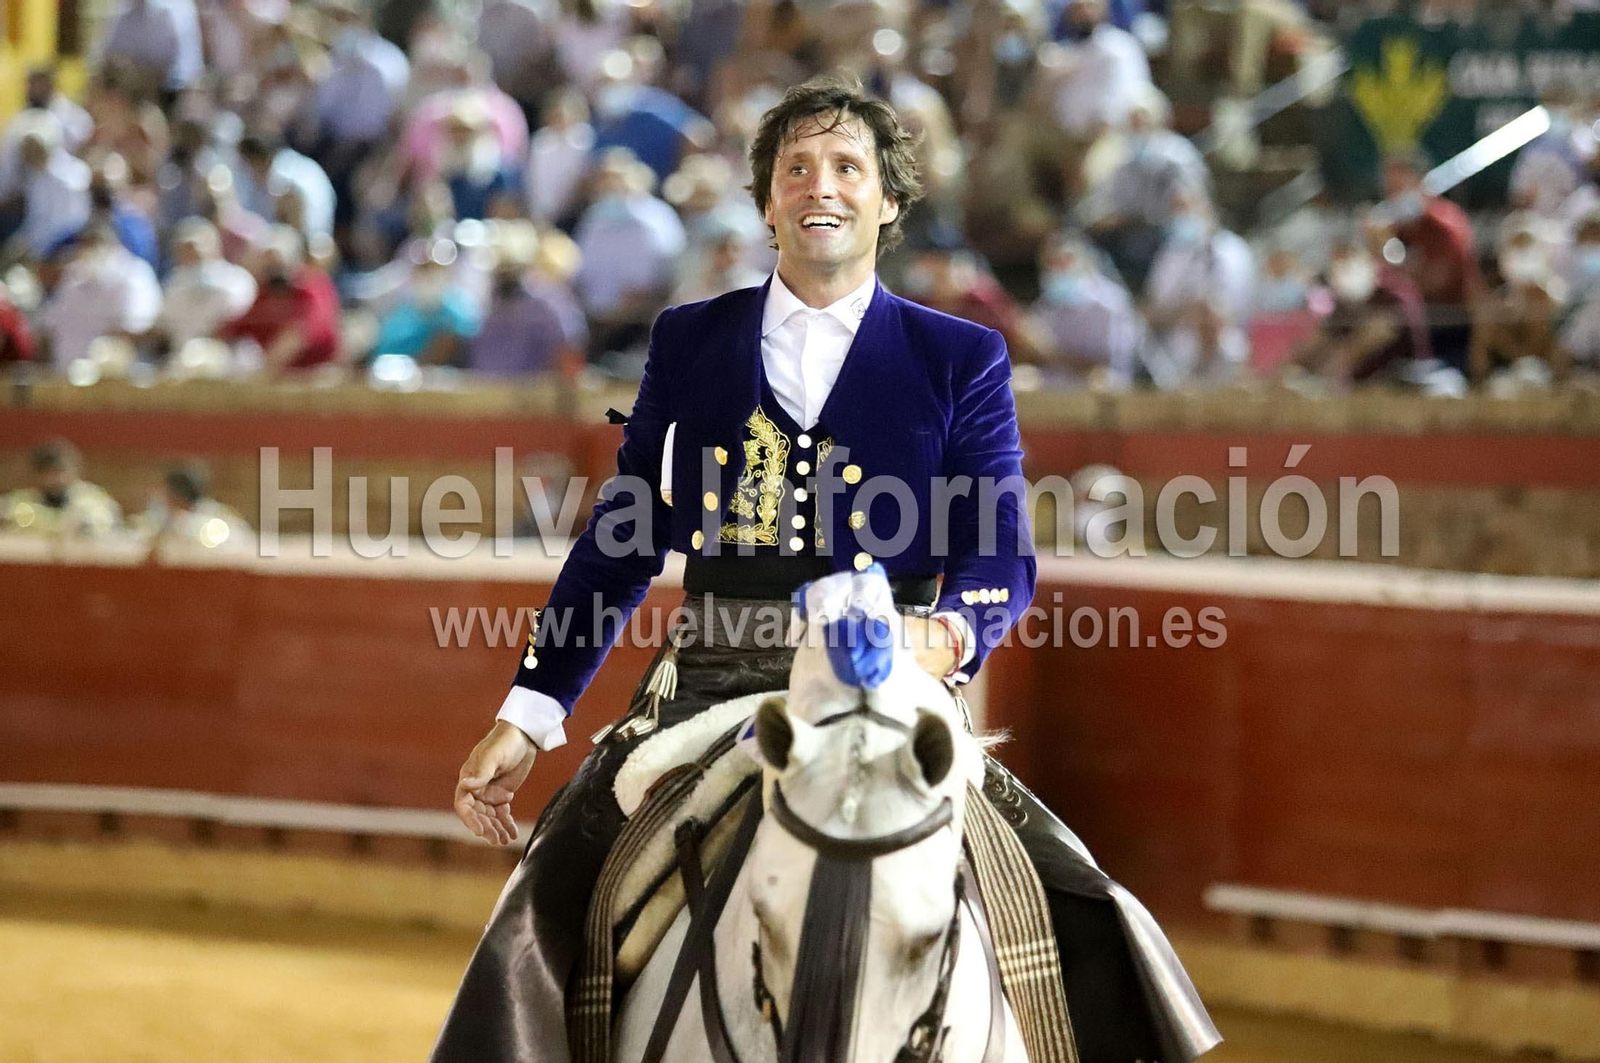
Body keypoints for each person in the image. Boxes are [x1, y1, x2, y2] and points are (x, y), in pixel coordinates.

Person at [431, 74, 1219, 1063]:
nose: (822, 184)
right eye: (797, 167)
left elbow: (998, 547)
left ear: (887, 201)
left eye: (848, 166)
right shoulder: (691, 340)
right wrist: (531, 708)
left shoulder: (959, 356)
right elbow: (623, 537)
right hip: (712, 676)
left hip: (890, 678)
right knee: (548, 887)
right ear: (766, 201)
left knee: (1079, 903)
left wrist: (945, 633)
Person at [0, 439, 122, 538]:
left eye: (59, 472)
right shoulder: (18, 504)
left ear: (74, 472)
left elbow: (108, 528)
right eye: (47, 473)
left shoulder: (94, 501)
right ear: (35, 475)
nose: (55, 479)